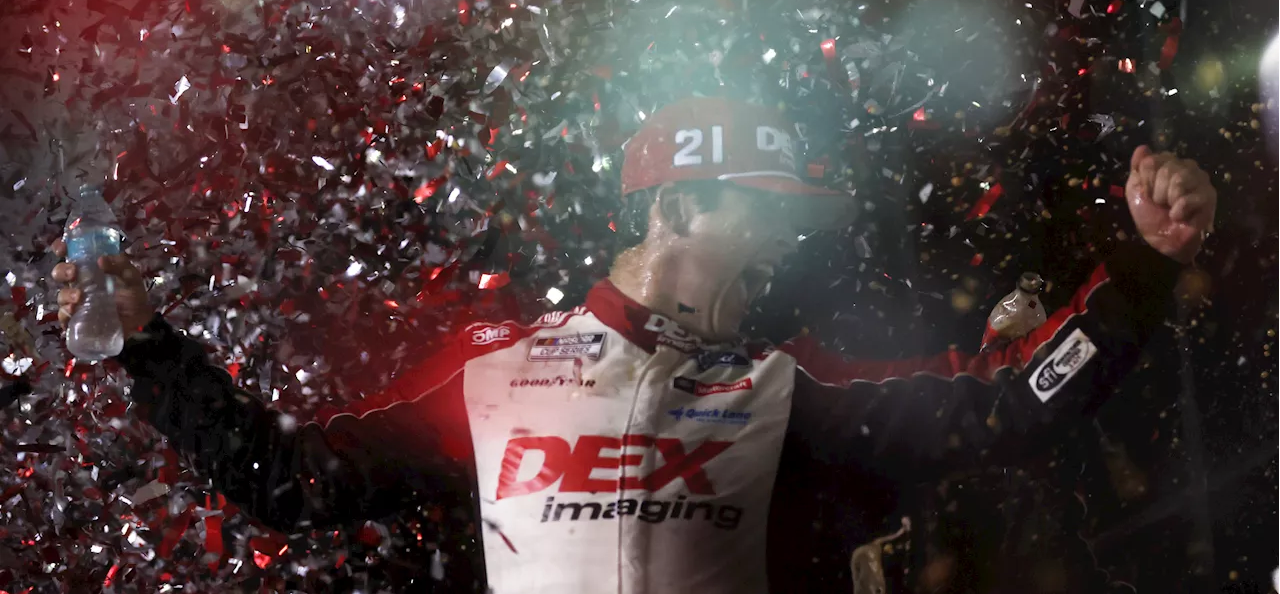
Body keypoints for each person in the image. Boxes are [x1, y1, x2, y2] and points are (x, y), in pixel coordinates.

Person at [53, 96, 1216, 594]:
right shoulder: (497, 383)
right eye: (753, 226)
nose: (773, 260)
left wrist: (1143, 268)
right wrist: (146, 347)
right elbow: (283, 478)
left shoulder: (778, 388)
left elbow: (1009, 407)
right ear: (670, 211)